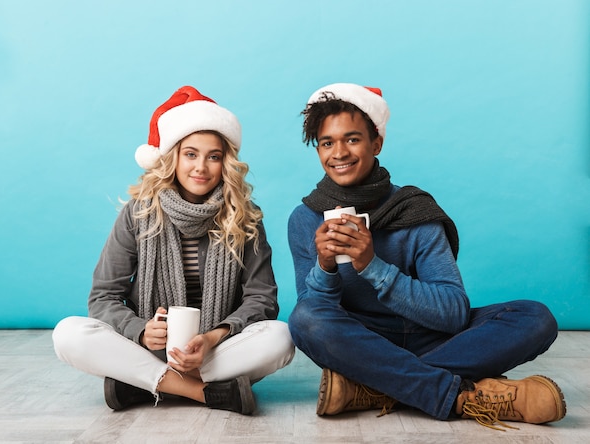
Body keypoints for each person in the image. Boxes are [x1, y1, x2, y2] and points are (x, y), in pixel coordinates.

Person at [287, 82, 566, 430]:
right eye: (327, 142)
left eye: (353, 139)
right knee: (305, 318)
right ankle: (459, 394)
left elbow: (453, 313)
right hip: (362, 339)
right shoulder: (306, 219)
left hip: (431, 335)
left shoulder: (413, 211)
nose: (339, 152)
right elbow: (314, 314)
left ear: (377, 143)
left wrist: (372, 266)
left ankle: (374, 386)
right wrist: (325, 266)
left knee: (536, 318)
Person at [53, 85, 295, 415]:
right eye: (191, 154)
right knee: (69, 334)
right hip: (149, 348)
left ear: (225, 162)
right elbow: (103, 297)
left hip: (214, 350)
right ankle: (204, 392)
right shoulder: (139, 214)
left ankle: (144, 383)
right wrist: (140, 332)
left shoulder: (244, 216)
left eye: (214, 156)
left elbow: (262, 299)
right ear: (173, 158)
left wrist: (211, 339)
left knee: (280, 337)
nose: (201, 167)